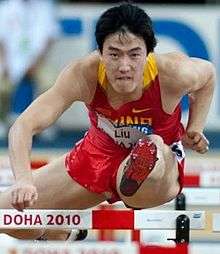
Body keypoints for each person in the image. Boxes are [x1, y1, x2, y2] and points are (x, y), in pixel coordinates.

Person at [0, 3, 215, 240]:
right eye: (114, 54)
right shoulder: (83, 74)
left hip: (155, 171)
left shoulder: (174, 72)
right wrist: (23, 180)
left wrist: (195, 127)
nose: (124, 66)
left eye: (134, 54)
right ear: (100, 53)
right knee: (6, 213)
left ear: (148, 53)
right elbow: (23, 126)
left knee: (151, 148)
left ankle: (137, 169)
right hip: (96, 157)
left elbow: (208, 75)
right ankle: (58, 232)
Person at [0, 0, 59, 137]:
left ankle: (44, 123)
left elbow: (49, 38)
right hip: (9, 60)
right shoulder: (6, 7)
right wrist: (6, 64)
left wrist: (35, 63)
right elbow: (1, 40)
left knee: (51, 82)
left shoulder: (45, 7)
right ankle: (1, 120)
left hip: (37, 61)